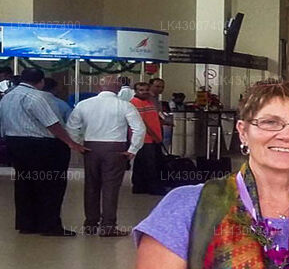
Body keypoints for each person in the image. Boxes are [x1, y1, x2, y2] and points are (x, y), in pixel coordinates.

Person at [0, 67, 84, 236]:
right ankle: (49, 226)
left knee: (25, 184)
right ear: (41, 81)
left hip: (15, 144)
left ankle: (27, 224)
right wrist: (71, 143)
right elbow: (52, 123)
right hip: (42, 146)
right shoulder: (37, 97)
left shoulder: (8, 96)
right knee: (50, 185)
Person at [66, 76, 145, 237]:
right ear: (118, 89)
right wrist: (133, 149)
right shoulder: (125, 105)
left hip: (90, 148)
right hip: (116, 150)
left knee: (91, 186)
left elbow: (71, 127)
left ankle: (90, 224)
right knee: (111, 188)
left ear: (99, 87)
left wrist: (78, 144)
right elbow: (139, 129)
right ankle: (108, 226)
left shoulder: (83, 104)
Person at [130, 79, 167, 195]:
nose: (144, 92)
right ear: (135, 91)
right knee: (150, 164)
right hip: (146, 138)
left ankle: (139, 186)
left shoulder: (149, 102)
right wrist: (154, 136)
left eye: (146, 90)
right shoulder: (135, 102)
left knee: (141, 163)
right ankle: (153, 188)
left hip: (152, 137)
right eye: (141, 90)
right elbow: (142, 122)